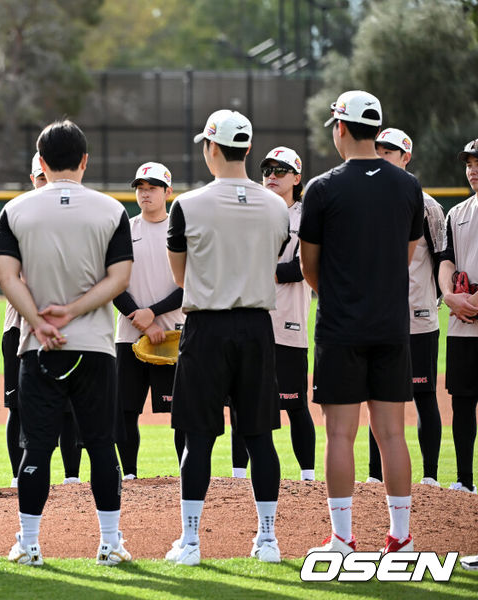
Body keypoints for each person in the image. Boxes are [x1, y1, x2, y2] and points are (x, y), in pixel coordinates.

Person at [0, 120, 133, 567]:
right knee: (100, 444)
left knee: (36, 447)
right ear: (84, 160)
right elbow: (120, 278)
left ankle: (30, 545)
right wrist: (73, 313)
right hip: (94, 345)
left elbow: (6, 277)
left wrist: (38, 322)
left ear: (40, 161)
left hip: (38, 349)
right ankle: (110, 544)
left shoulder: (15, 210)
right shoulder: (112, 210)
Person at [164, 110, 289, 567]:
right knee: (260, 437)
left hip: (207, 326)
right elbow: (271, 257)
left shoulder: (188, 204)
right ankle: (269, 540)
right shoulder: (277, 206)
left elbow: (181, 274)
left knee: (198, 439)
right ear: (249, 149)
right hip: (257, 327)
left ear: (211, 148)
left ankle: (192, 544)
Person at [301, 90, 423, 555]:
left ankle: (342, 538)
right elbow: (406, 255)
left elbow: (309, 266)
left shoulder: (323, 187)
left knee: (339, 435)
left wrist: (336, 293)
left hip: (340, 327)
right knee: (393, 433)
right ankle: (401, 537)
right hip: (392, 326)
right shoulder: (408, 186)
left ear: (341, 128)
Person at [230, 147, 317, 482]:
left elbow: (308, 265)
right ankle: (238, 476)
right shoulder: (251, 210)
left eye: (281, 171)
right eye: (267, 170)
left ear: (297, 178)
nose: (272, 176)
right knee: (242, 401)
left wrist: (269, 270)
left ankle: (308, 477)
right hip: (250, 317)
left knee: (295, 403)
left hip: (288, 321)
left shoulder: (307, 216)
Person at [365, 128, 445, 488]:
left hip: (418, 315)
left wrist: (434, 299)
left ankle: (429, 476)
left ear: (406, 157)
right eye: (378, 150)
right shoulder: (363, 202)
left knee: (425, 394)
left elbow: (442, 257)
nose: (383, 156)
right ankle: (373, 475)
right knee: (376, 395)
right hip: (377, 318)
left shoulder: (427, 205)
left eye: (391, 152)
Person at [3, 152, 82, 488]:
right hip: (19, 326)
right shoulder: (16, 214)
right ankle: (16, 475)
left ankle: (72, 477)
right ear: (33, 178)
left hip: (70, 327)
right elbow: (8, 275)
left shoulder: (79, 215)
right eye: (38, 178)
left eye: (45, 177)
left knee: (69, 408)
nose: (43, 184)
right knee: (17, 405)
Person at [113, 161, 185, 478]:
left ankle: (187, 474)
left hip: (171, 338)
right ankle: (129, 474)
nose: (145, 193)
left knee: (180, 412)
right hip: (129, 336)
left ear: (167, 192)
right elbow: (113, 283)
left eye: (152, 188)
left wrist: (153, 315)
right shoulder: (124, 231)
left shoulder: (180, 232)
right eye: (141, 188)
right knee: (125, 410)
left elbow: (189, 286)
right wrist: (142, 320)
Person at [437, 138, 478, 495]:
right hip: (462, 325)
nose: (473, 169)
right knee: (462, 405)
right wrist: (450, 296)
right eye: (468, 163)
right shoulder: (457, 213)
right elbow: (445, 259)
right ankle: (465, 481)